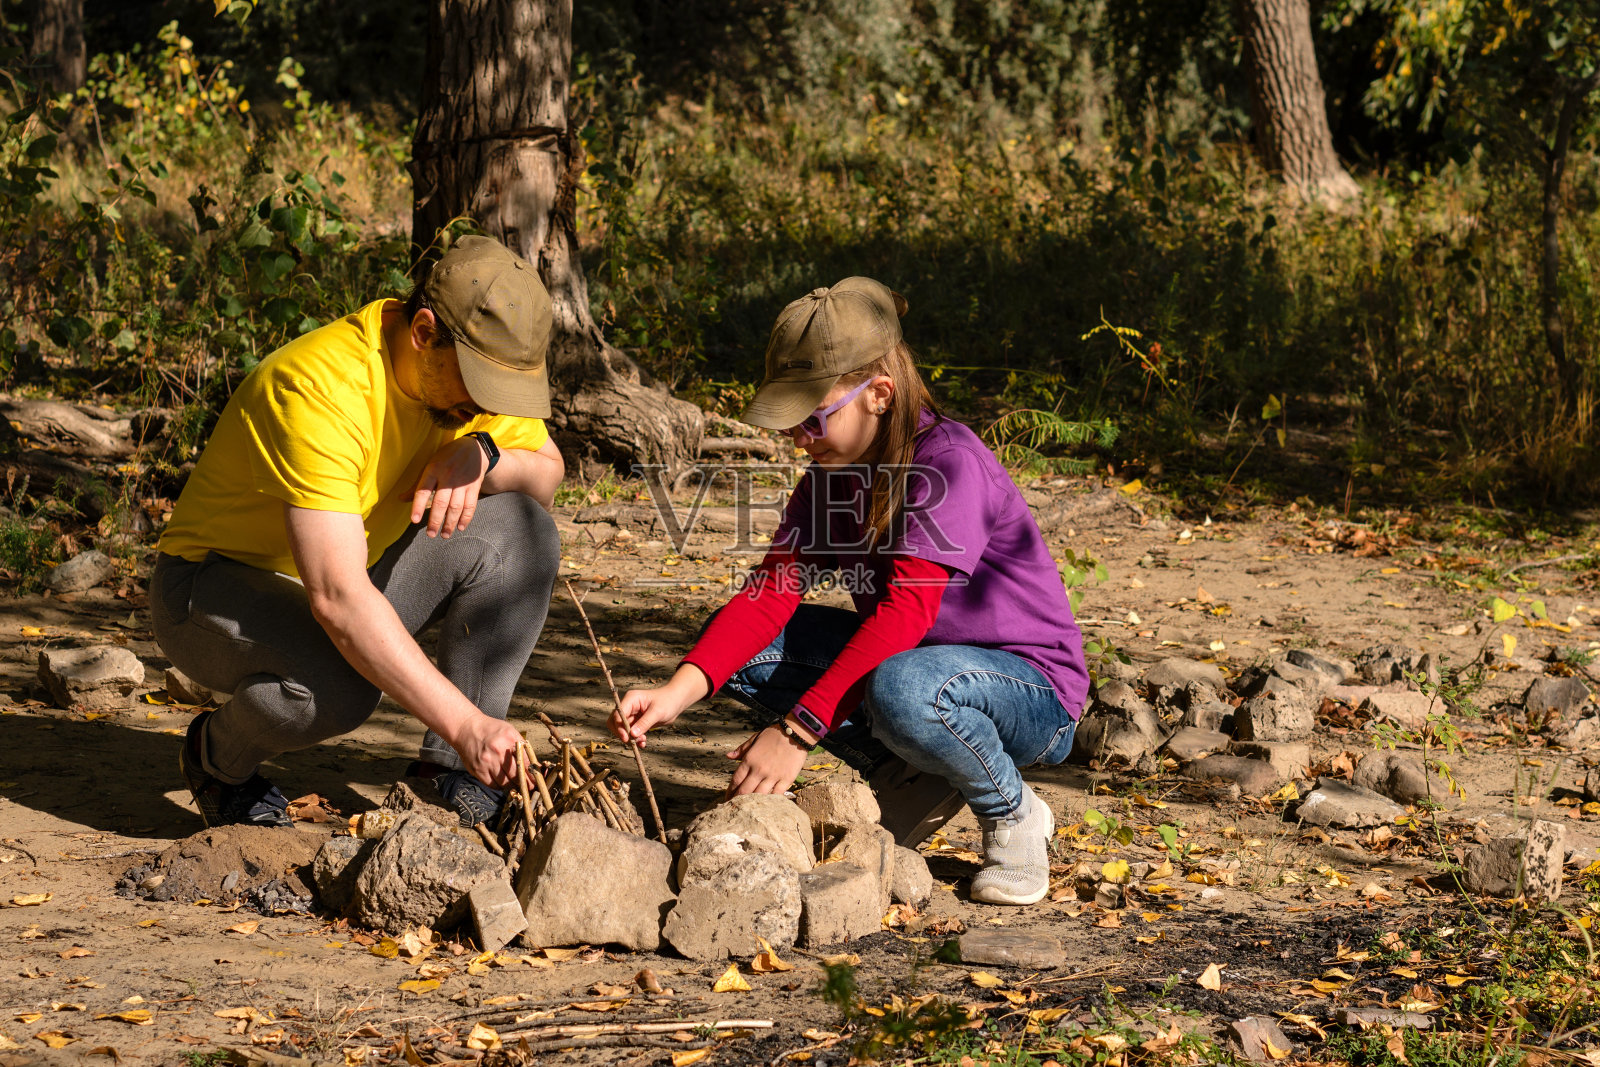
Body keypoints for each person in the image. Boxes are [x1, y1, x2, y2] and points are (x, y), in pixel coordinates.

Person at [609, 277, 1088, 906]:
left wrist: (798, 732)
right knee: (746, 652)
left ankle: (1013, 811)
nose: (799, 437)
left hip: (1031, 690)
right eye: (789, 422)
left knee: (905, 686)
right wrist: (679, 689)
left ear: (880, 395)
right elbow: (768, 595)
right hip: (920, 675)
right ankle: (910, 771)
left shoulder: (948, 464)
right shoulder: (830, 480)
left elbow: (906, 614)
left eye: (812, 417)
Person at [152, 236, 565, 829]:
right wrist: (469, 722)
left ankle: (447, 773)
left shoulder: (470, 378)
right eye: (479, 386)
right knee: (338, 687)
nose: (487, 404)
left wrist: (484, 452)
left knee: (525, 529)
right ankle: (216, 758)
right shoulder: (318, 388)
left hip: (356, 565)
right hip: (210, 587)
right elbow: (339, 601)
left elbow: (547, 477)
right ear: (424, 332)